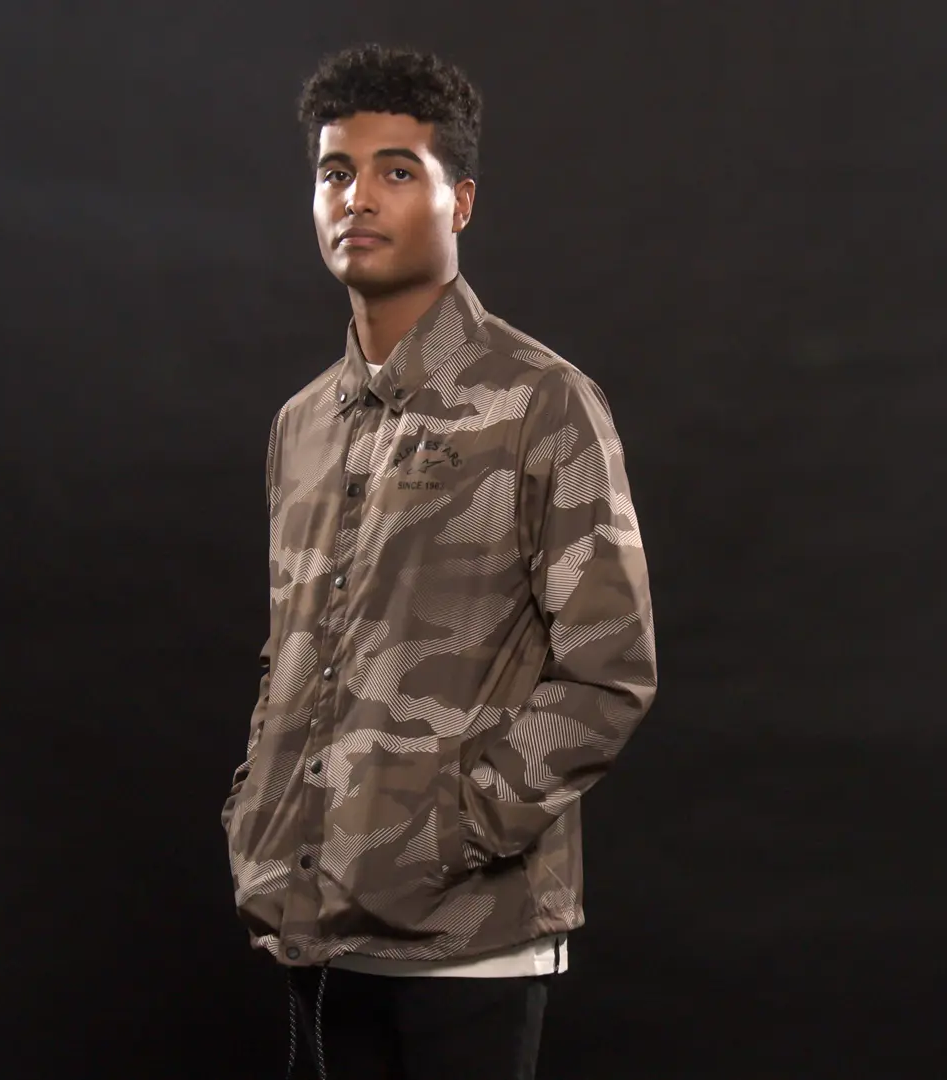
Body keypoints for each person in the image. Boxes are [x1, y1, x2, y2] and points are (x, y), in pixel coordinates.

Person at [221, 42, 657, 1080]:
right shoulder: (302, 426)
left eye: (396, 170)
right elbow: (295, 655)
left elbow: (609, 671)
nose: (357, 197)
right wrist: (257, 814)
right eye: (336, 172)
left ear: (460, 200)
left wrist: (445, 836)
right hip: (315, 935)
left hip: (473, 953)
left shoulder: (543, 403)